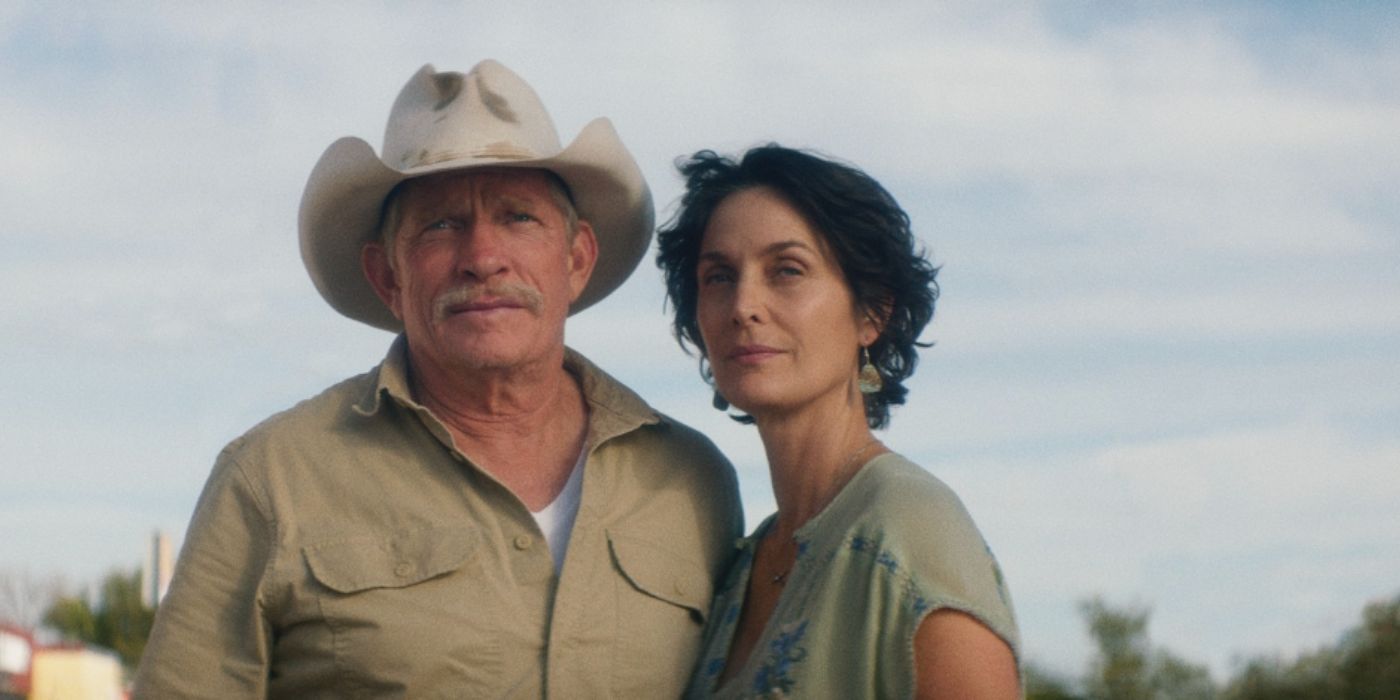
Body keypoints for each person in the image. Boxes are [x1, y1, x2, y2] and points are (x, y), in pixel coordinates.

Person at [134, 60, 743, 698]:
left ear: (577, 260)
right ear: (387, 277)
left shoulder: (694, 483)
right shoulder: (269, 480)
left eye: (518, 217)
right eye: (441, 225)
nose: (482, 257)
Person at [656, 145, 1021, 698]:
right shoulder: (741, 563)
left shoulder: (910, 530)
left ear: (872, 312)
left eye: (787, 270)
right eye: (719, 277)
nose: (743, 305)